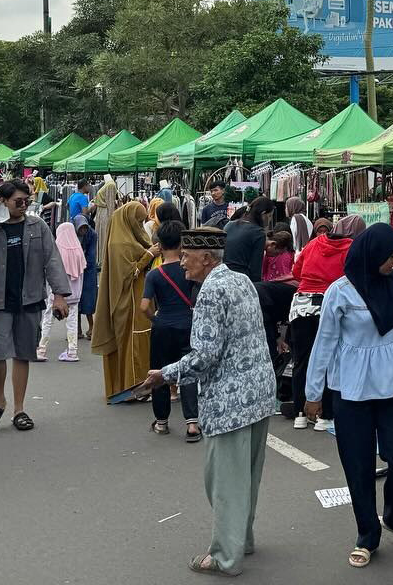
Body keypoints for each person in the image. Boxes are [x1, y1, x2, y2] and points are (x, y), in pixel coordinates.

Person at [139, 227, 278, 577]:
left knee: (225, 482)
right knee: (246, 476)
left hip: (230, 400)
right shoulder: (241, 280)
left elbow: (204, 356)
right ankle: (240, 540)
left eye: (186, 254)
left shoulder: (211, 292)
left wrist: (164, 374)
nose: (181, 260)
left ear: (206, 258)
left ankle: (225, 557)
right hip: (259, 393)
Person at [305, 223, 393, 568]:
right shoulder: (339, 292)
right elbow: (324, 342)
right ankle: (366, 535)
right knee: (358, 467)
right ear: (371, 255)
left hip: (390, 385)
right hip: (351, 390)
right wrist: (313, 393)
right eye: (389, 256)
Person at [0, 179, 70, 433]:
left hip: (29, 299)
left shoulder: (37, 226)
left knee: (23, 353)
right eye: (18, 201)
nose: (23, 205)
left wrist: (60, 295)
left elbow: (52, 259)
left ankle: (19, 409)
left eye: (26, 201)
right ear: (3, 201)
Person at [287, 214, 362, 431]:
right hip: (329, 305)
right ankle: (325, 416)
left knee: (301, 360)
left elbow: (296, 271)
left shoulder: (313, 244)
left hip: (301, 306)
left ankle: (300, 413)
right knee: (329, 359)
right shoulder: (350, 248)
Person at [141, 220, 201, 441]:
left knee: (160, 373)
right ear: (182, 243)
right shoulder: (191, 271)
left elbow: (144, 307)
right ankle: (192, 423)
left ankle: (162, 422)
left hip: (163, 328)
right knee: (188, 373)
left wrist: (155, 319)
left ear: (160, 244)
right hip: (188, 325)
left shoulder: (154, 275)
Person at [92, 201, 157, 402]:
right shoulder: (119, 243)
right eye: (138, 221)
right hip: (126, 300)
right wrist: (148, 255)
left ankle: (137, 384)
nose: (140, 225)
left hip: (136, 296)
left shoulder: (128, 237)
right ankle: (130, 386)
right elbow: (127, 275)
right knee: (131, 341)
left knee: (138, 339)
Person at [38, 222, 85, 362]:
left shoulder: (57, 249)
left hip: (57, 295)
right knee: (72, 322)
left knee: (48, 320)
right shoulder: (78, 249)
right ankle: (72, 352)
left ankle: (41, 349)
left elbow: (51, 271)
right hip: (75, 295)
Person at [224, 196, 273, 281]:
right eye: (269, 216)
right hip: (241, 279)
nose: (269, 220)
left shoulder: (229, 225)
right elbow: (255, 268)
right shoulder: (258, 233)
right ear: (263, 214)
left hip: (222, 274)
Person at [74, 215, 98, 340]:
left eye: (85, 228)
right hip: (74, 269)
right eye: (81, 228)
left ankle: (92, 327)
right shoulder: (71, 234)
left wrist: (83, 263)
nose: (83, 231)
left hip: (88, 269)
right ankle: (77, 328)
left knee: (88, 298)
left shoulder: (92, 234)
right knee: (75, 299)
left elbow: (92, 254)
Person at [92, 175, 119, 270]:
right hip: (102, 213)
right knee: (101, 236)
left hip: (105, 214)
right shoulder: (108, 184)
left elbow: (110, 203)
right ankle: (101, 260)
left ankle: (103, 260)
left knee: (104, 236)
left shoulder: (111, 185)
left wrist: (111, 218)